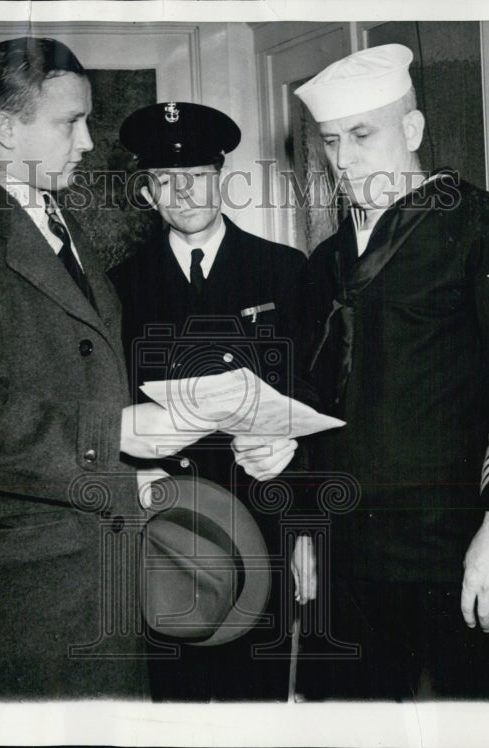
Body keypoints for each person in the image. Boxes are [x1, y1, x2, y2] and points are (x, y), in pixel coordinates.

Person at [0, 37, 210, 699]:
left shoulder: (54, 216)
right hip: (7, 597)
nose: (88, 142)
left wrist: (127, 479)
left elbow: (75, 373)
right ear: (6, 128)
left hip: (82, 566)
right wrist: (113, 435)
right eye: (69, 123)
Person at [292, 44, 489, 700]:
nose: (344, 159)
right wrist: (303, 524)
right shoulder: (326, 261)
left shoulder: (484, 227)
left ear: (412, 130)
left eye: (363, 135)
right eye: (331, 140)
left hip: (451, 550)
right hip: (347, 556)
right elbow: (311, 404)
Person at [108, 102, 316, 700]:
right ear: (146, 190)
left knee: (256, 701)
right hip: (169, 527)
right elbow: (108, 410)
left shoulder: (282, 271)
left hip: (263, 516)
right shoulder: (119, 286)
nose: (183, 193)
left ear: (221, 176)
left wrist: (305, 527)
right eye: (164, 179)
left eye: (197, 175)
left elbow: (311, 402)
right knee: (172, 700)